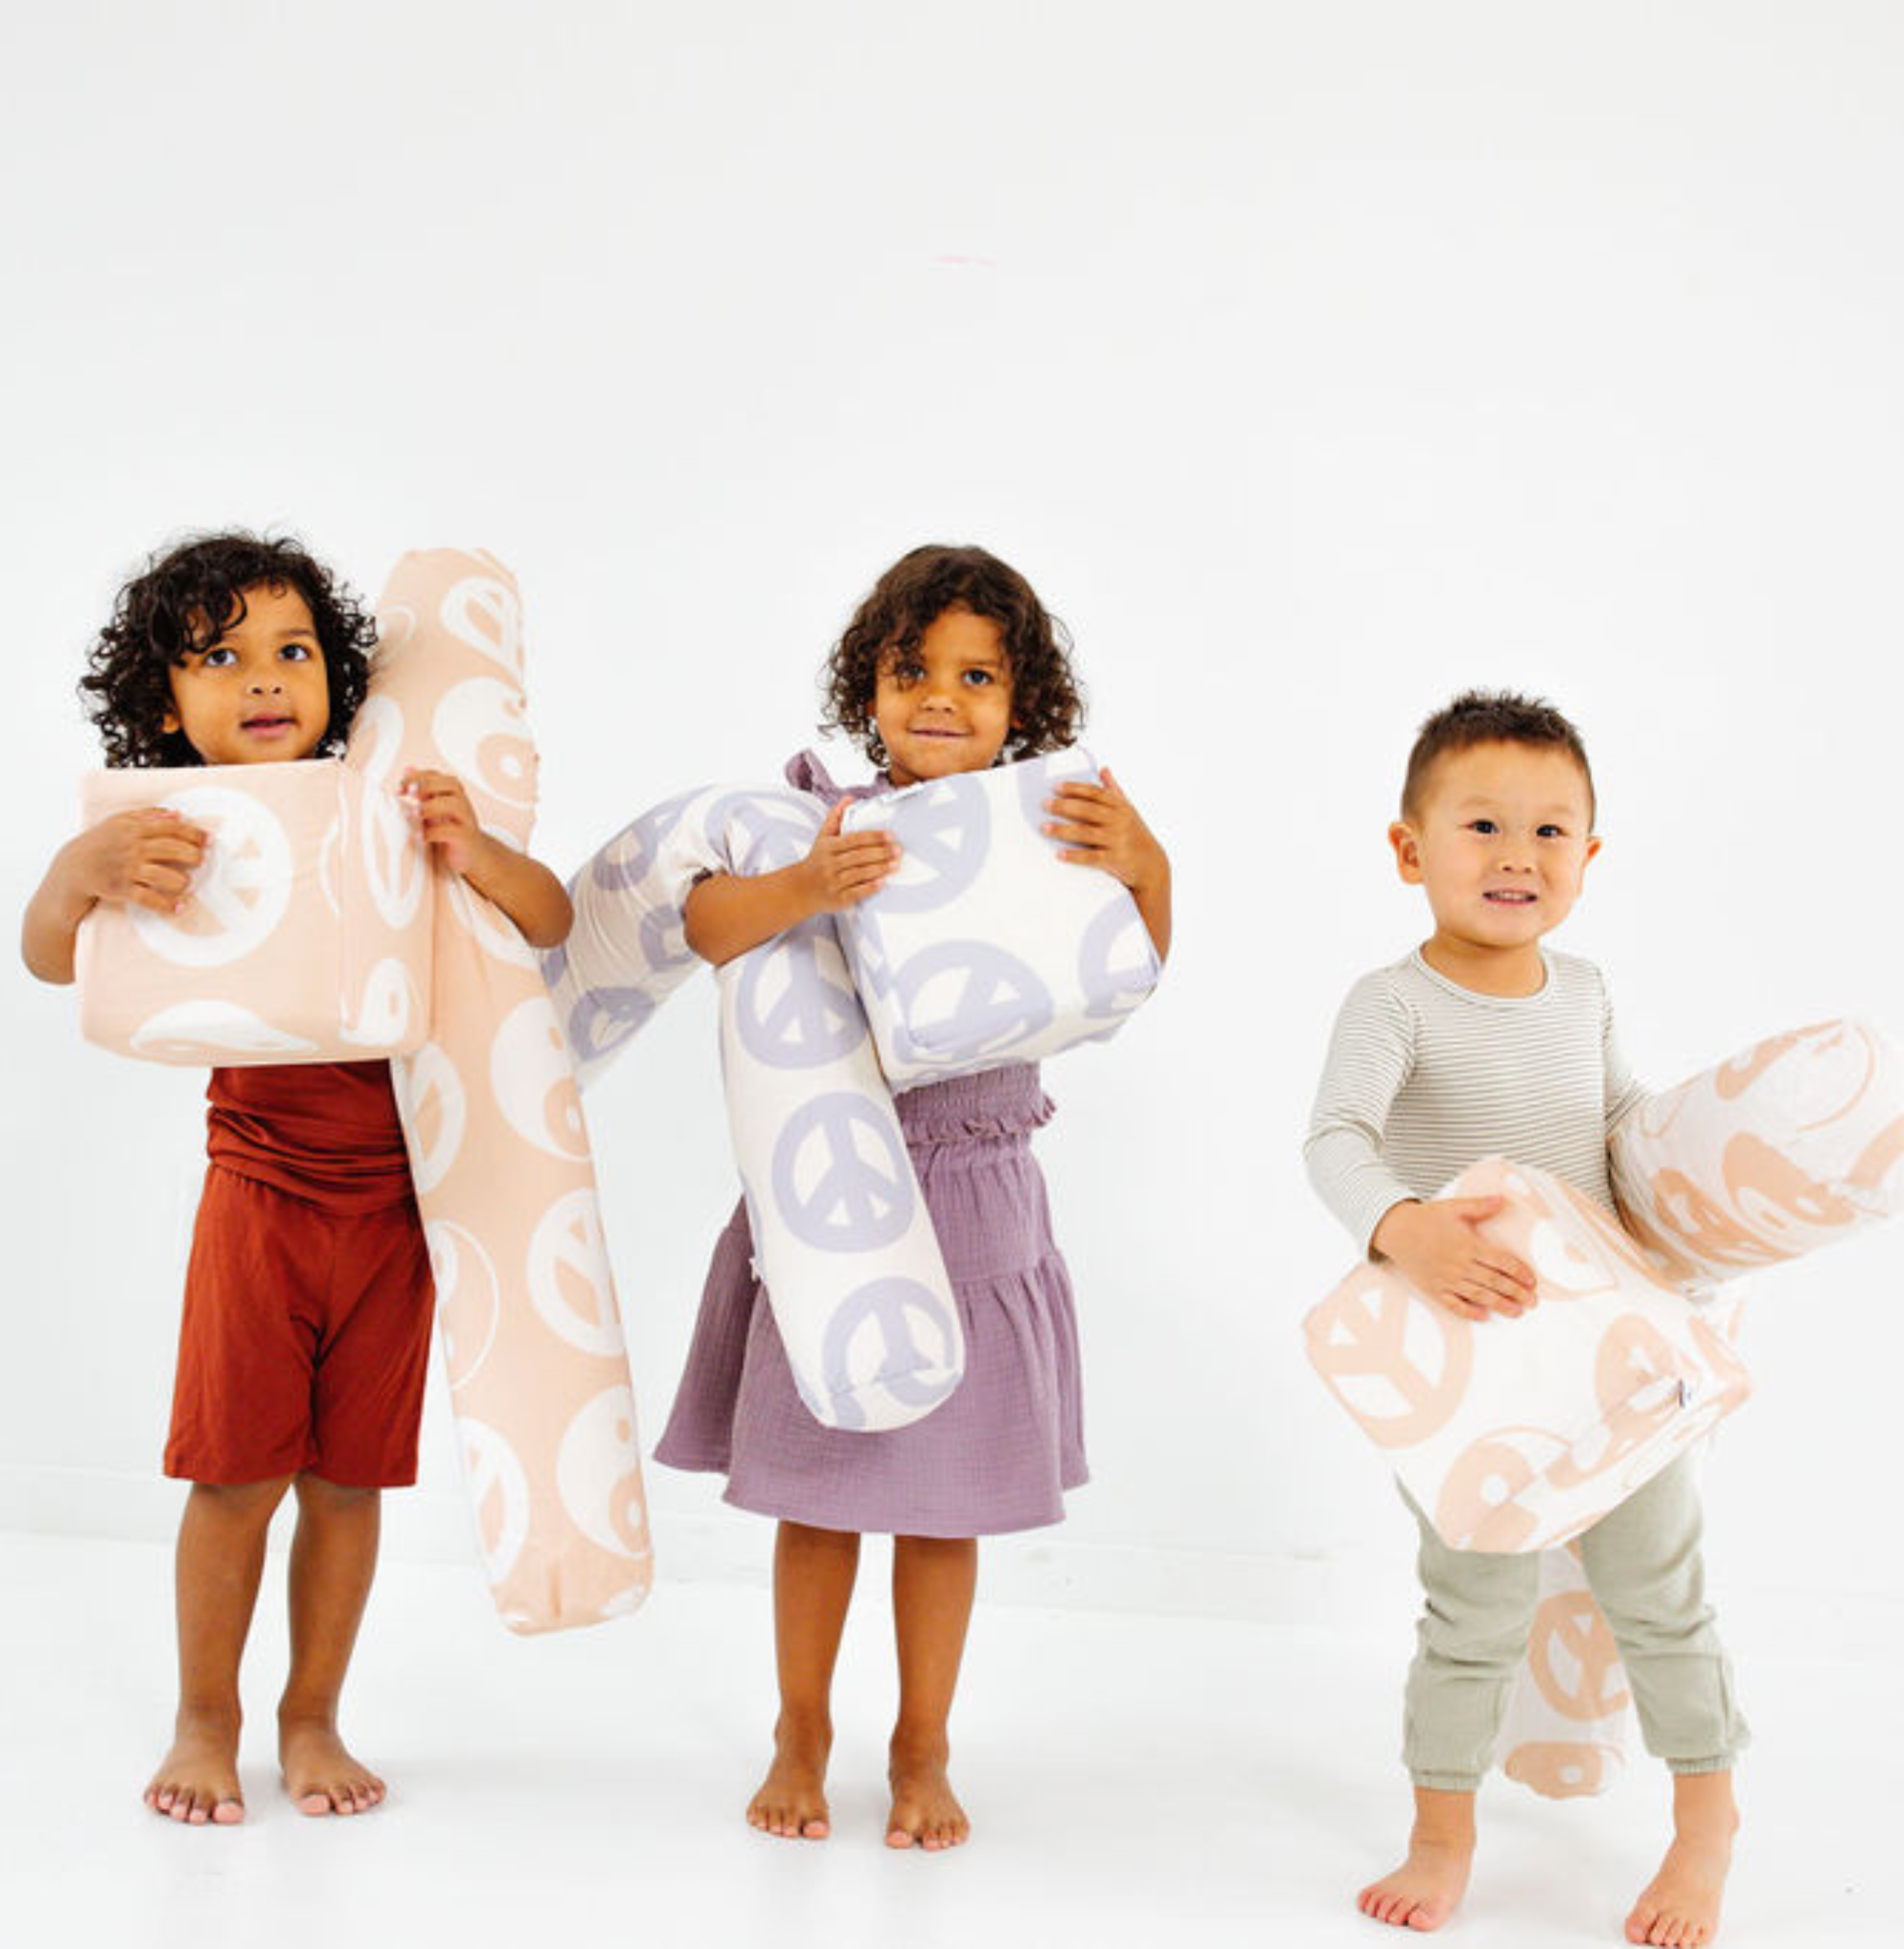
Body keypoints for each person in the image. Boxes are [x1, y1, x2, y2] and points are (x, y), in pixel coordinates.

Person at [21, 533, 572, 1825]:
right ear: (168, 703)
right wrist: (70, 877)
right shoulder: (173, 830)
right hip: (260, 1197)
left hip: (403, 1202)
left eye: (292, 651)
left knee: (348, 1482)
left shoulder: (386, 805)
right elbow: (53, 959)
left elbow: (547, 923)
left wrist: (476, 851)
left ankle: (313, 1715)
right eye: (220, 659)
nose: (265, 678)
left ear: (336, 676)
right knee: (233, 1478)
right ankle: (203, 1720)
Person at [657, 542, 1170, 1850]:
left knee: (948, 1508)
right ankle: (801, 1731)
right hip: (832, 1194)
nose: (941, 696)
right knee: (821, 1497)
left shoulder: (1049, 826)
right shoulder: (826, 823)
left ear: (1022, 703)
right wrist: (807, 886)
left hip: (981, 1196)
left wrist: (1148, 864)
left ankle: (922, 1744)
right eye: (911, 670)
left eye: (977, 677)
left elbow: (1128, 970)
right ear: (869, 689)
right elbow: (705, 929)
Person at [1304, 691, 1745, 1946]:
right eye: (1483, 825)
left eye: (1551, 832)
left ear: (1588, 858)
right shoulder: (1393, 1004)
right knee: (1474, 1605)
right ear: (1410, 850)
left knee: (1658, 1592)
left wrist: (1718, 1173)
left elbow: (1624, 1126)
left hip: (1611, 1359)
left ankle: (1705, 1821)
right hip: (1469, 1370)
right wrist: (1405, 1227)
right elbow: (1334, 1140)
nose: (1518, 855)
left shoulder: (1585, 991)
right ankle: (1443, 1831)